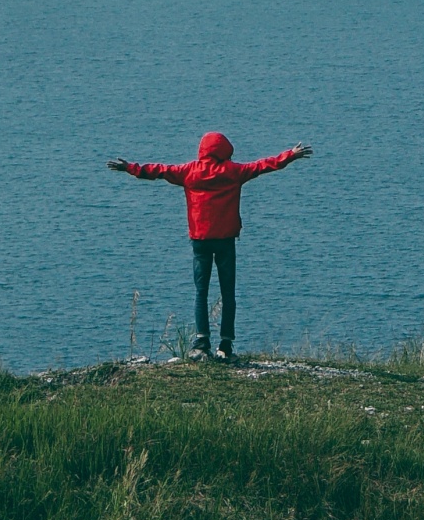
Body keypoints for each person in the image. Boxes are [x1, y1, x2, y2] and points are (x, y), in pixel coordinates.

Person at [108, 130, 312, 360]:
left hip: (200, 240)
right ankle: (225, 345)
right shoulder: (234, 172)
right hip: (225, 240)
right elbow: (264, 165)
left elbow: (159, 171)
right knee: (228, 292)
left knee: (201, 292)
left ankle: (201, 341)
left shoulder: (189, 172)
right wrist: (290, 155)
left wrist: (130, 168)